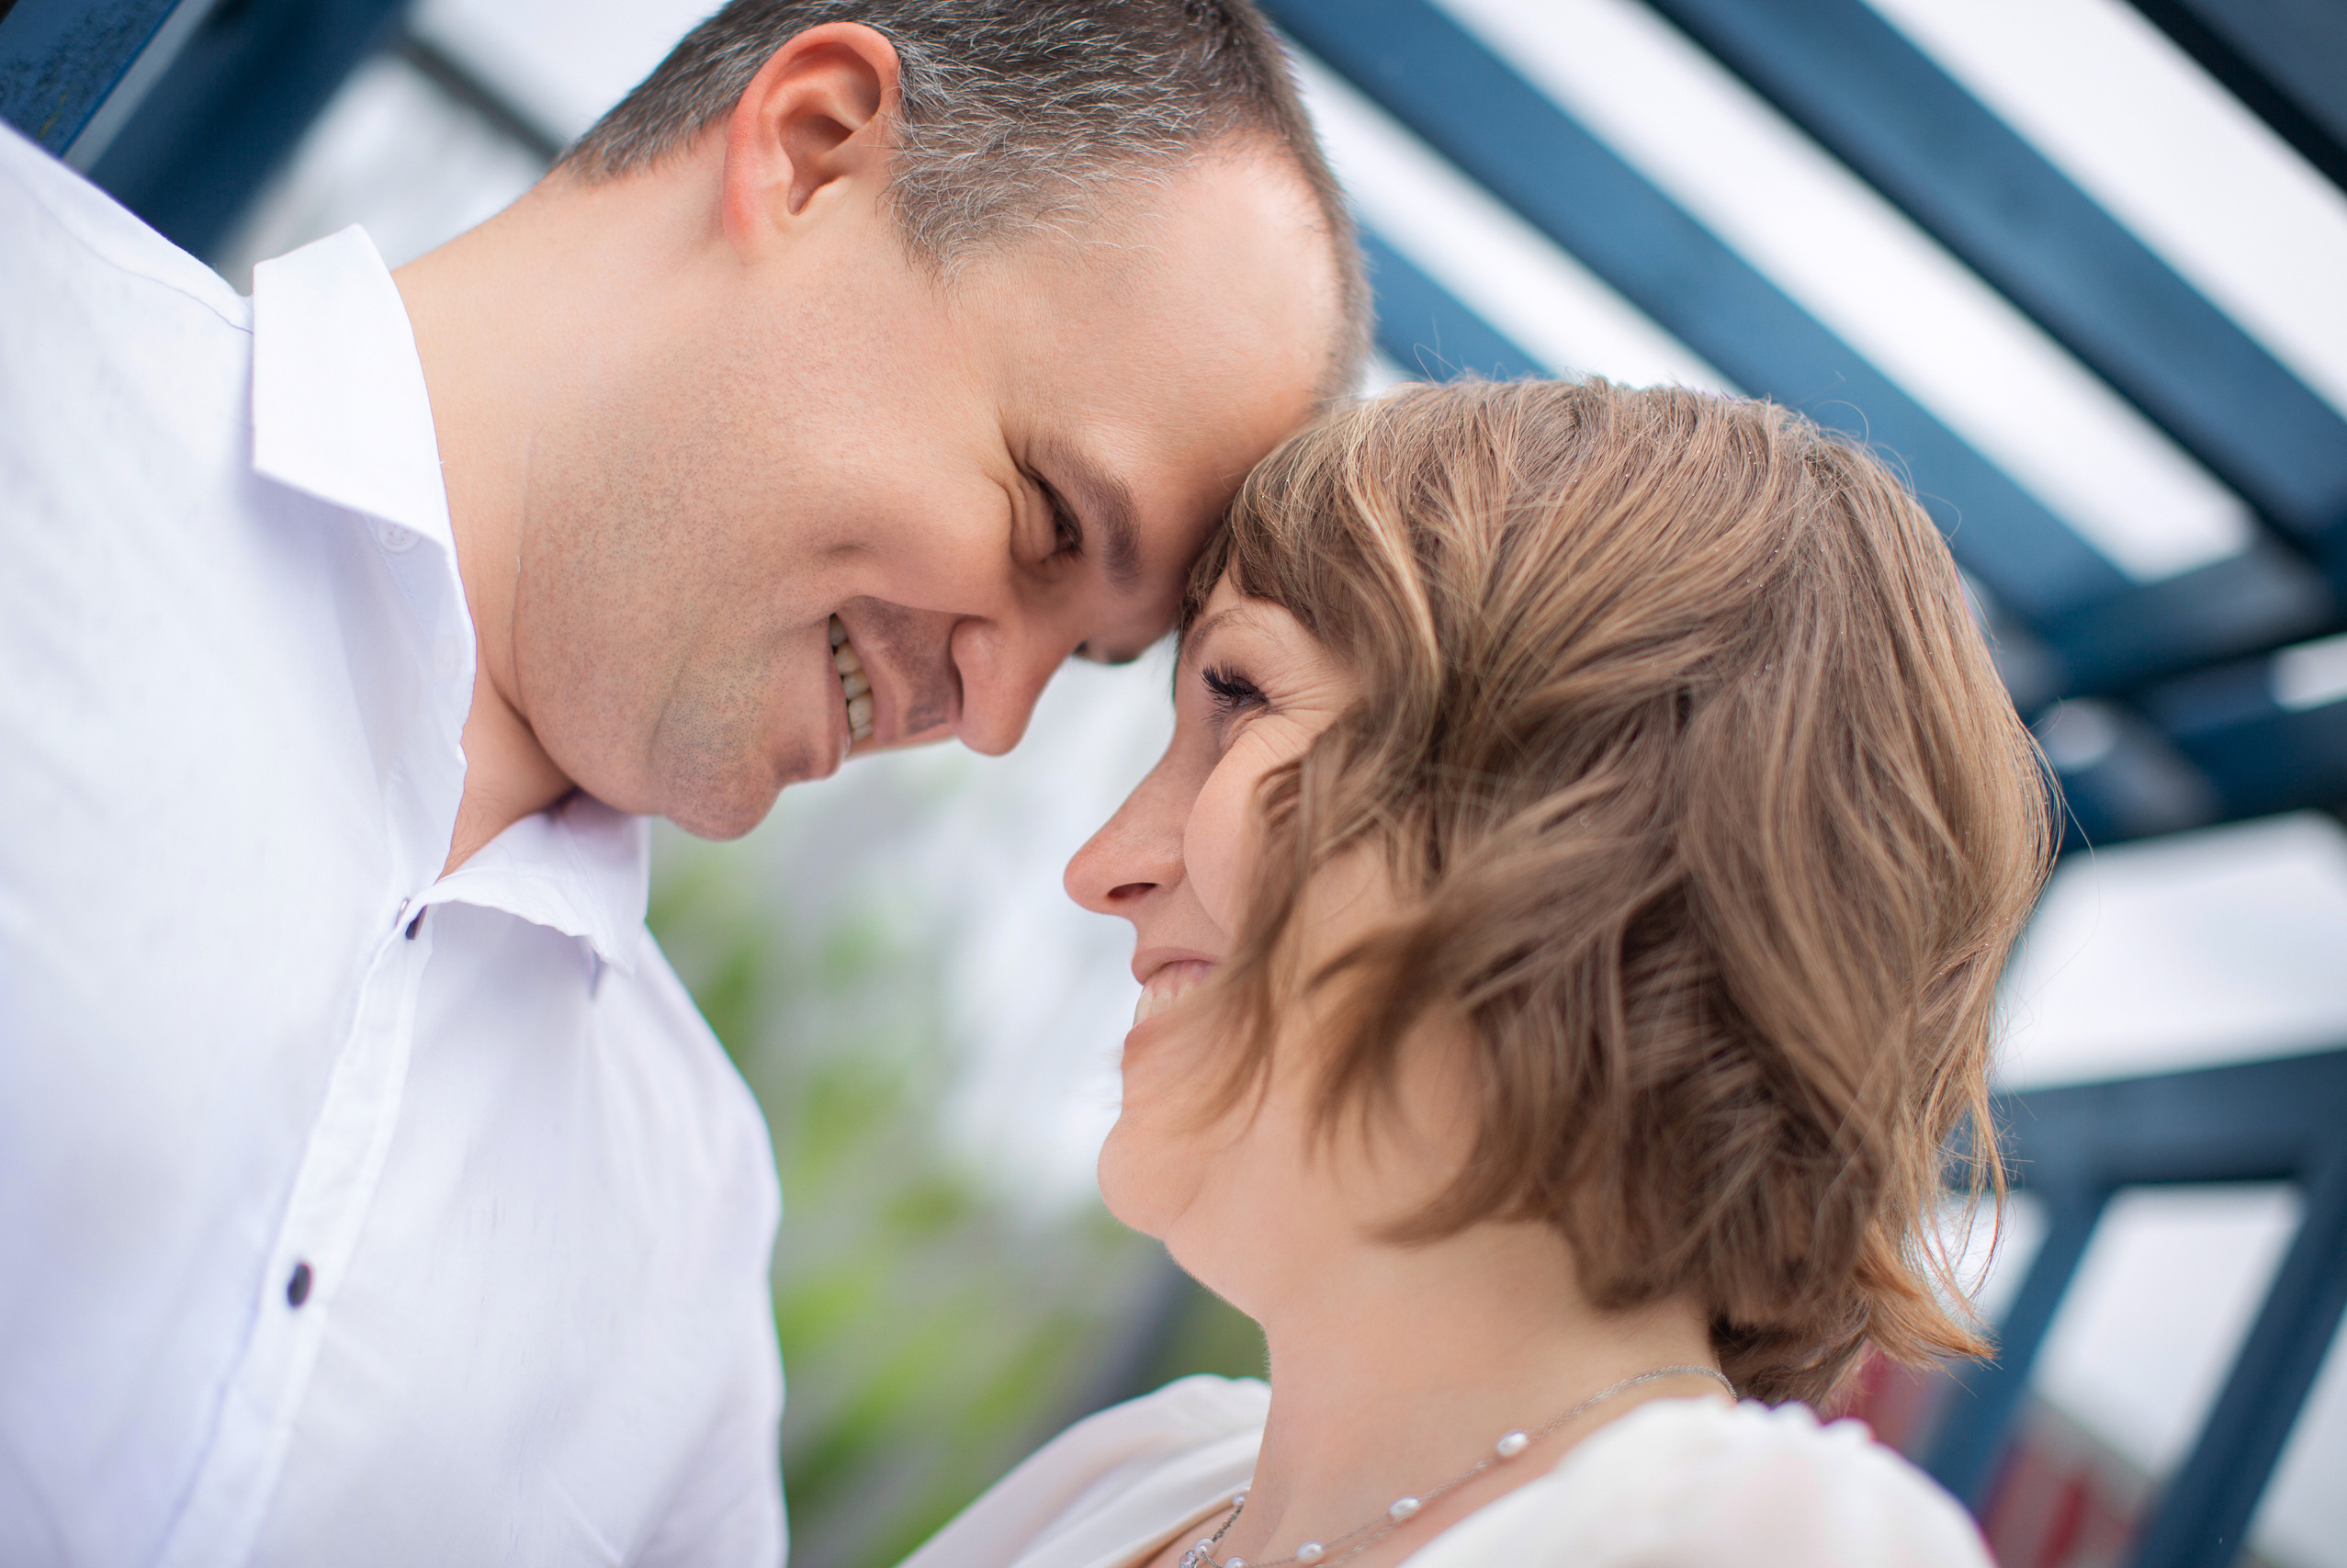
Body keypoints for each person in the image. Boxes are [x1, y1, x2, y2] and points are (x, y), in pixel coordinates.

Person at [0, 2, 1363, 1562]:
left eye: (1085, 656)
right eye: (1048, 520)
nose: (995, 715)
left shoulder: (687, 1239)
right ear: (814, 148)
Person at [901, 379, 2053, 1567]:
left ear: (1583, 813)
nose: (1103, 867)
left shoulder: (1767, 1544)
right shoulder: (1124, 1483)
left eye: (1239, 699)